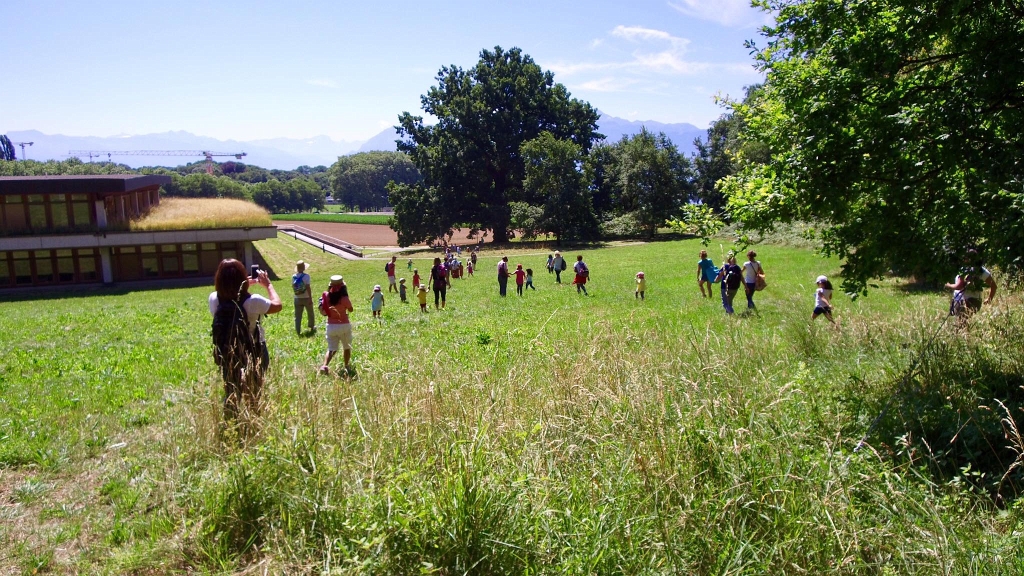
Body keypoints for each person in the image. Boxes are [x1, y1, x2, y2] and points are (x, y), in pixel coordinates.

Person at [209, 259, 282, 416]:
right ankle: (253, 418)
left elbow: (229, 298)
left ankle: (231, 422)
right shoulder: (253, 301)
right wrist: (268, 285)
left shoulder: (214, 298)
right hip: (254, 349)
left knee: (231, 389)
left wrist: (240, 286)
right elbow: (277, 305)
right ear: (243, 277)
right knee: (253, 391)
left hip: (227, 350)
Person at [945, 249, 997, 320]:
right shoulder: (982, 271)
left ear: (968, 259)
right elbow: (994, 286)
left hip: (962, 301)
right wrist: (989, 299)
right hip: (976, 302)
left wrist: (948, 285)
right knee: (966, 324)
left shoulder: (965, 270)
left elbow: (959, 286)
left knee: (960, 326)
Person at [319, 275, 354, 375]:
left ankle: (325, 365)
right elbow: (351, 309)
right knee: (346, 347)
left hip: (330, 326)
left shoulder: (327, 297)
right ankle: (346, 366)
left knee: (331, 349)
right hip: (344, 325)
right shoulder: (344, 298)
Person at [291, 260, 314, 334]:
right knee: (310, 313)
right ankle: (311, 327)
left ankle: (298, 330)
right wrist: (310, 298)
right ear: (304, 268)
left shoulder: (293, 277)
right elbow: (308, 287)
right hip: (306, 297)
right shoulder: (306, 276)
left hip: (297, 298)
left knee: (297, 315)